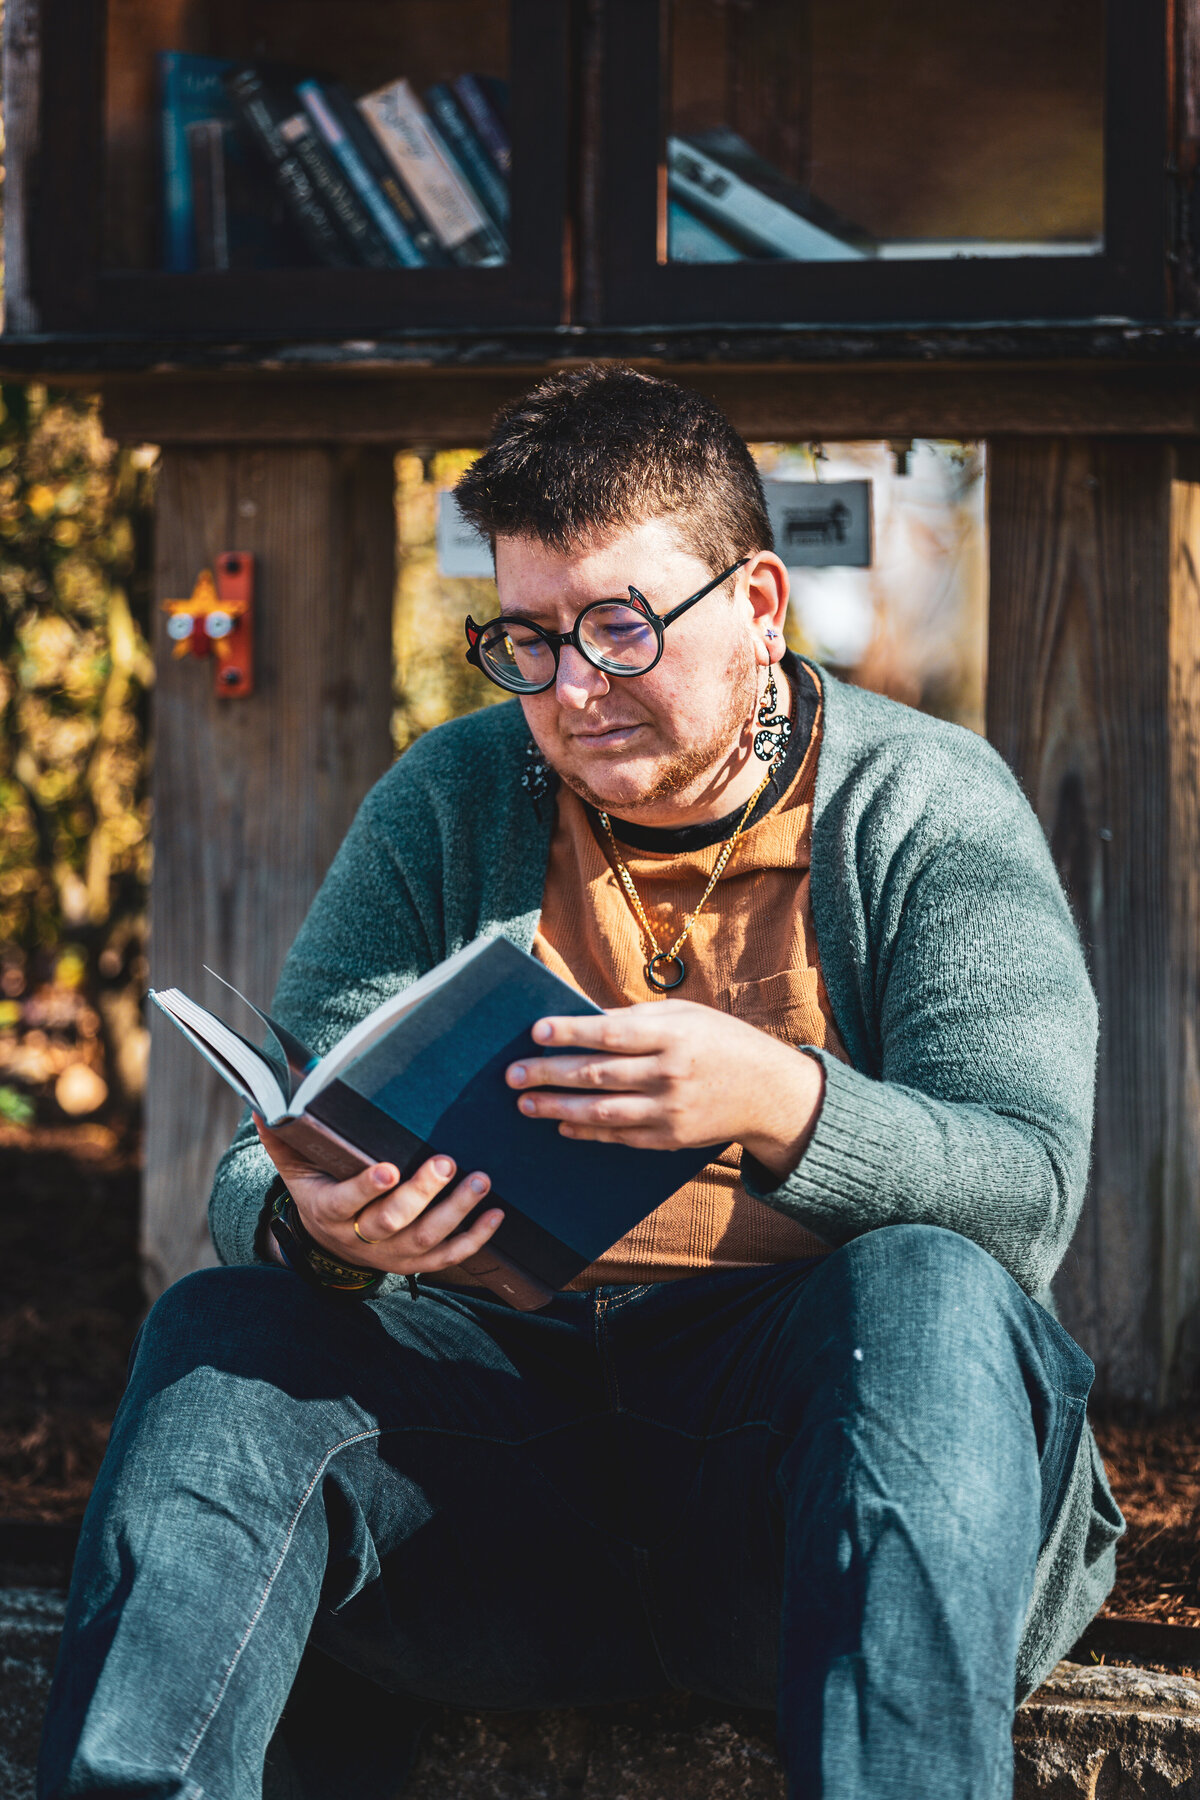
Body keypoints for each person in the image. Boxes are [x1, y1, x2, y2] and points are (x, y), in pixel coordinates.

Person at [39, 366, 1123, 1800]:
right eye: (531, 639)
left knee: (926, 1287)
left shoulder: (926, 803)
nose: (575, 687)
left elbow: (1028, 1196)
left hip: (820, 1495)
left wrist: (780, 1102)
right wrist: (324, 1226)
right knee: (224, 1327)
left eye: (620, 626)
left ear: (756, 607)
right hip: (502, 1490)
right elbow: (268, 1157)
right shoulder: (452, 797)